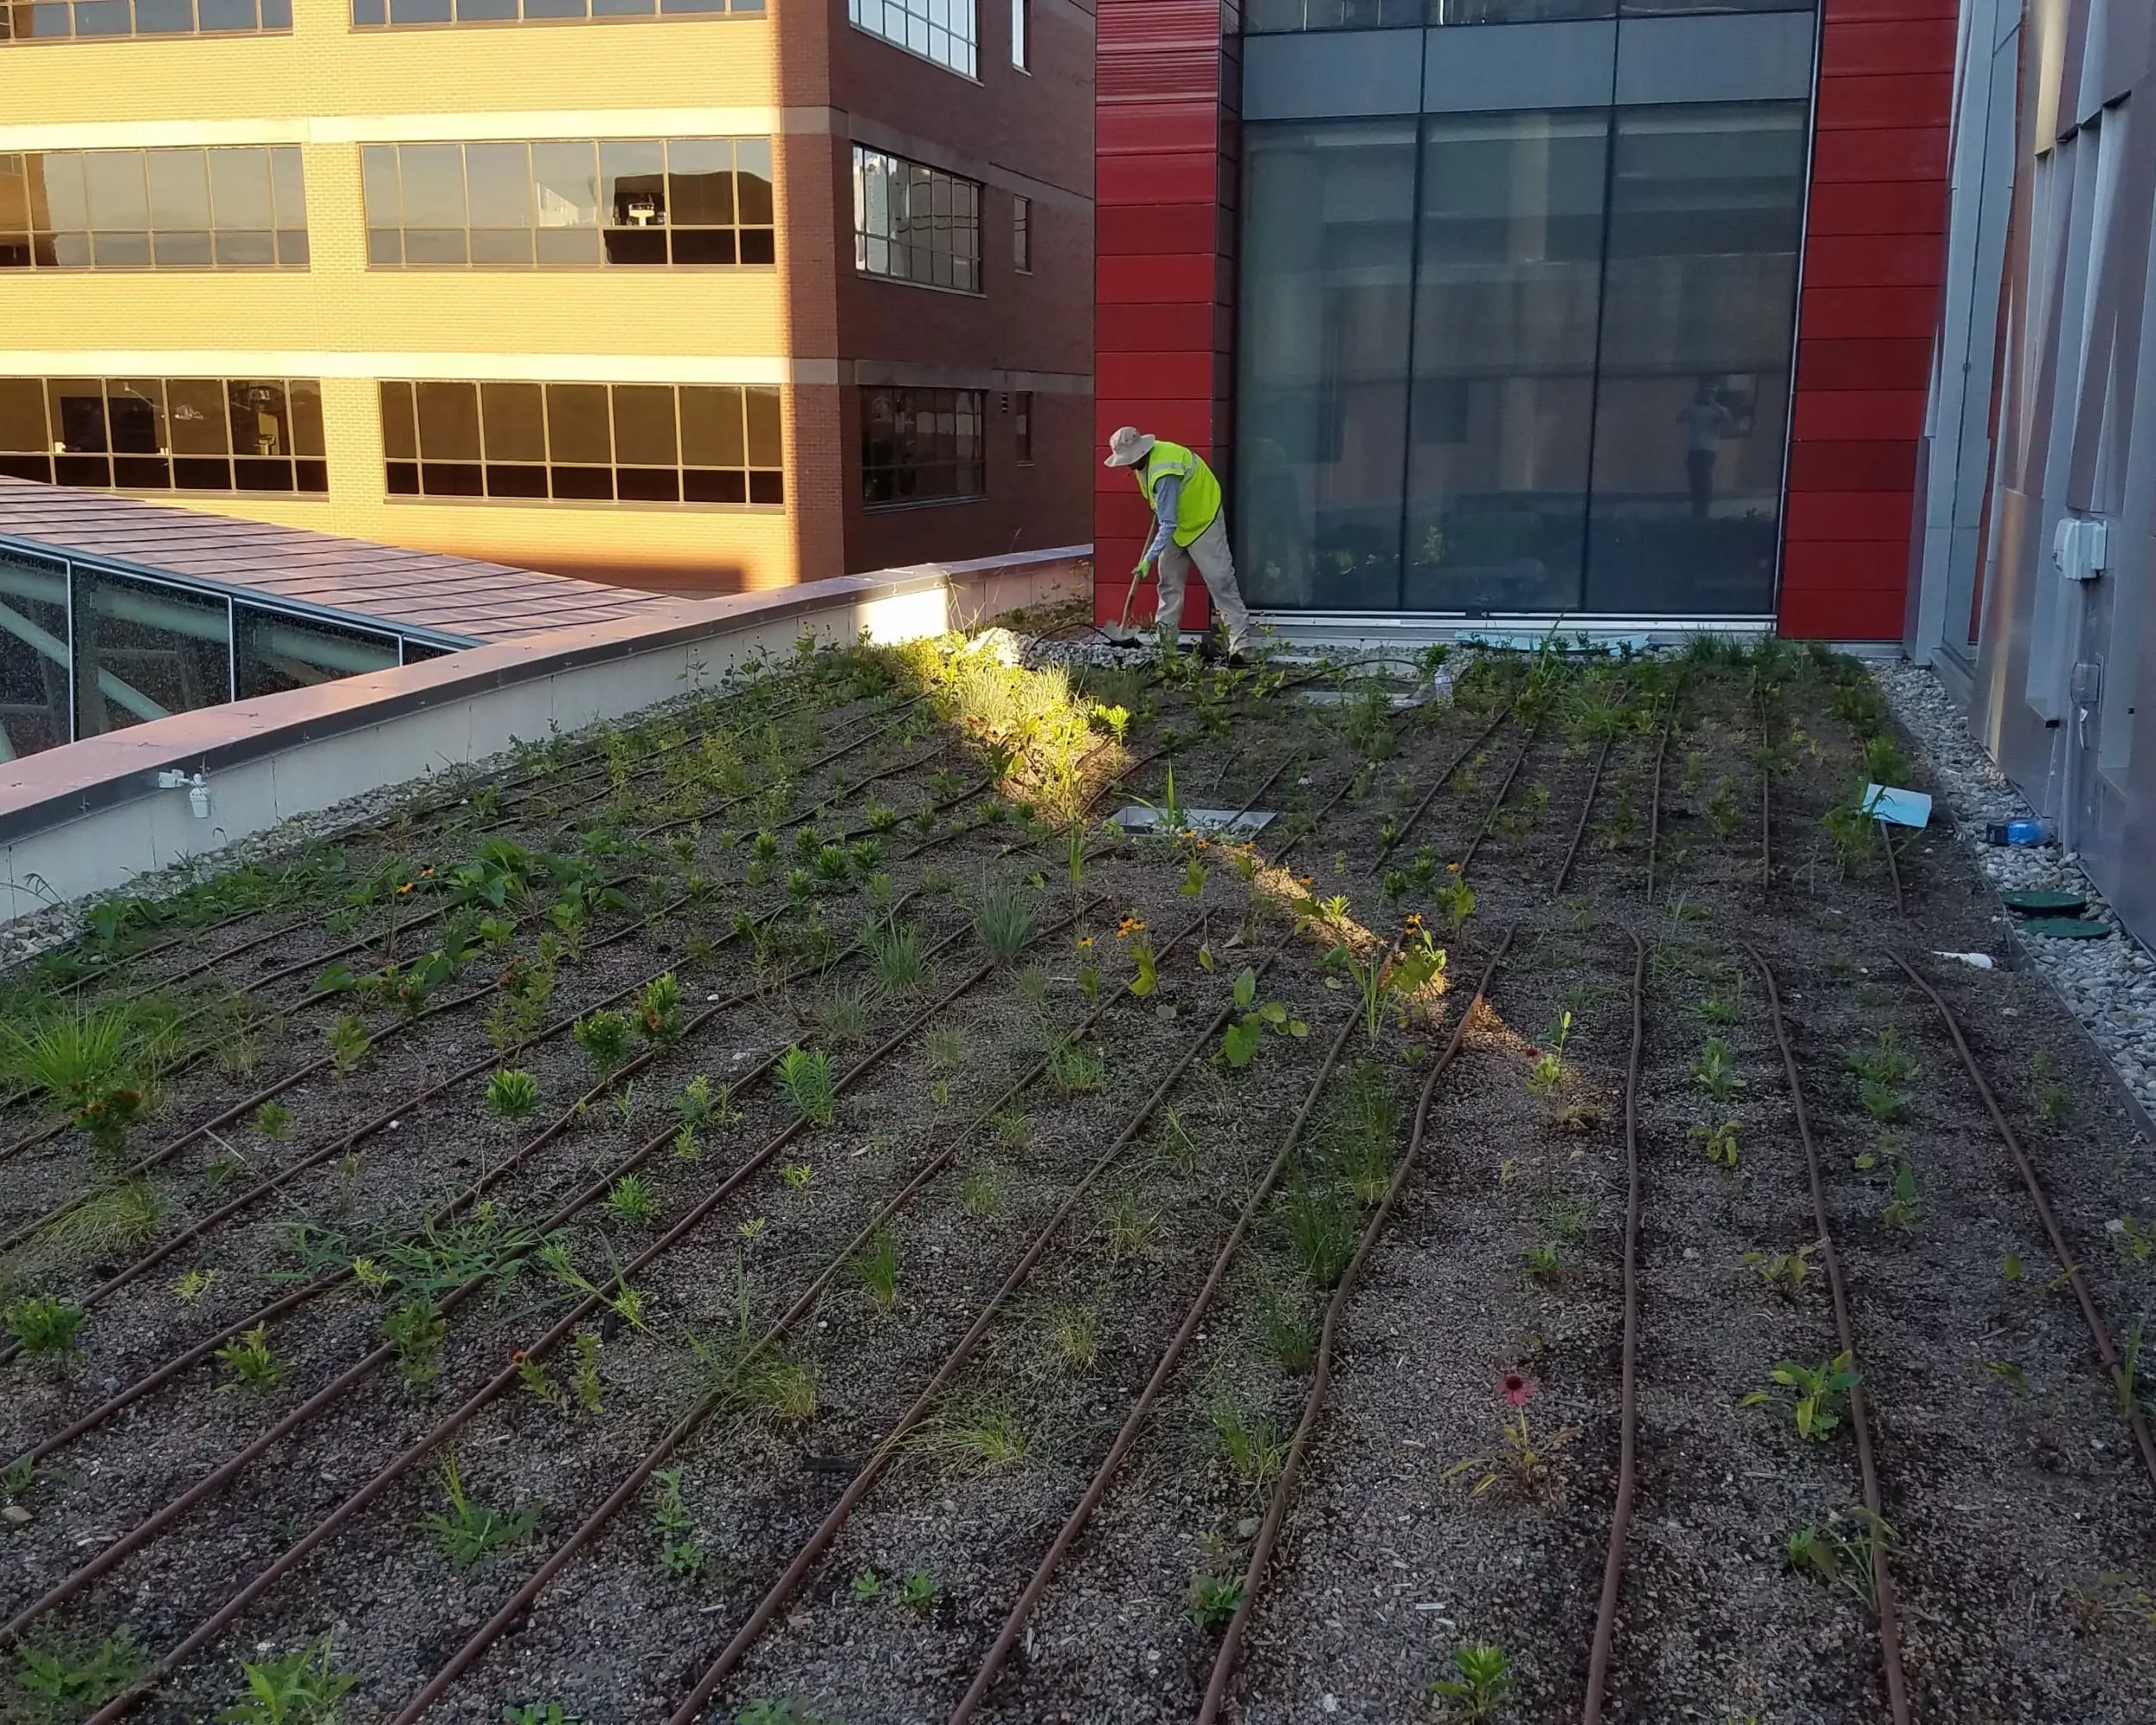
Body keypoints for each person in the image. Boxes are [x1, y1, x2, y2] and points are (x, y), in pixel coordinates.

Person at [1104, 425, 1254, 660]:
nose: (1127, 466)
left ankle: (1241, 646)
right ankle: (1166, 647)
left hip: (1203, 519)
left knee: (1220, 581)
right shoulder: (1143, 464)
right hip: (1176, 524)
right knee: (1169, 583)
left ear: (1140, 452)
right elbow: (1166, 514)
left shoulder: (1165, 471)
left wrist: (1148, 559)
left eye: (1128, 461)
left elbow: (1168, 523)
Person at [1677, 381, 1738, 518]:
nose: (1707, 396)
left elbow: (1730, 422)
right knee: (1694, 479)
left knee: (1704, 478)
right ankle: (1696, 509)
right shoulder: (1694, 409)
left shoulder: (1718, 410)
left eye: (1710, 393)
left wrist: (1715, 405)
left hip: (1708, 449)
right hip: (1694, 448)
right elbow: (1679, 419)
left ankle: (1704, 510)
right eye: (1705, 393)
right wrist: (1691, 404)